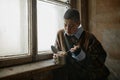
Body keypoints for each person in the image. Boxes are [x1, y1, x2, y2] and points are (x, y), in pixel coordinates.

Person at [53, 8, 110, 80]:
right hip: (69, 75)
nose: (67, 29)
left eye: (71, 26)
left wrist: (81, 55)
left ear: (78, 23)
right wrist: (57, 55)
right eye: (65, 25)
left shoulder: (89, 38)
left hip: (90, 76)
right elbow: (57, 51)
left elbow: (101, 58)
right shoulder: (60, 34)